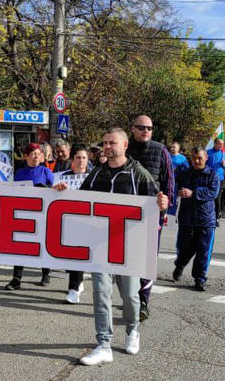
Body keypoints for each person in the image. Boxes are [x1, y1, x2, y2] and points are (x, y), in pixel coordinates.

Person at [61, 127, 167, 366]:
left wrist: (162, 204)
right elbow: (80, 202)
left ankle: (132, 329)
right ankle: (103, 344)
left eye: (112, 142)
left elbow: (155, 206)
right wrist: (62, 193)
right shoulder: (96, 174)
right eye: (105, 142)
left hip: (128, 247)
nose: (107, 146)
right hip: (100, 246)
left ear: (125, 146)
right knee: (101, 293)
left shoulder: (139, 174)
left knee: (130, 296)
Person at [127, 114, 174, 320]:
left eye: (149, 128)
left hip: (152, 214)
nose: (146, 130)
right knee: (127, 257)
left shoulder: (161, 150)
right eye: (141, 127)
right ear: (133, 128)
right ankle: (129, 296)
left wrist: (166, 208)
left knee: (147, 258)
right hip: (125, 213)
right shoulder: (124, 148)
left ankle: (143, 301)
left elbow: (169, 182)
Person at [5, 143, 54, 290]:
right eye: (32, 154)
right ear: (26, 156)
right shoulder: (19, 173)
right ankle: (16, 278)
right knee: (21, 245)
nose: (36, 157)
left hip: (42, 213)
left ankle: (46, 273)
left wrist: (45, 189)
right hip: (24, 212)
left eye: (38, 154)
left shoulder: (46, 171)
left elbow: (54, 191)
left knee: (43, 244)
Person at [172, 147, 221, 292]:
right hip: (186, 218)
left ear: (206, 158)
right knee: (183, 249)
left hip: (206, 220)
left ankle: (200, 278)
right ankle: (180, 265)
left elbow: (213, 192)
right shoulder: (184, 174)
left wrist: (193, 193)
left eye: (200, 158)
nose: (197, 161)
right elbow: (172, 186)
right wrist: (177, 192)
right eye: (194, 158)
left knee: (204, 251)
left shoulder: (212, 174)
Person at [53, 144, 91, 304]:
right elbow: (53, 195)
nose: (81, 161)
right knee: (72, 255)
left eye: (84, 158)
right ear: (72, 160)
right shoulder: (63, 177)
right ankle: (77, 283)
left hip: (88, 221)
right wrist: (58, 189)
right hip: (68, 220)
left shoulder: (94, 177)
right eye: (78, 158)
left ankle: (74, 288)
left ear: (88, 160)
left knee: (79, 253)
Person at [206, 138, 225, 220]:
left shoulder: (224, 154)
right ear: (215, 143)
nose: (221, 145)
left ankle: (217, 215)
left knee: (217, 196)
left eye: (222, 144)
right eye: (219, 143)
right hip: (209, 177)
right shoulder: (208, 152)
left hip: (220, 178)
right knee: (208, 195)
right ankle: (208, 213)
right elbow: (203, 164)